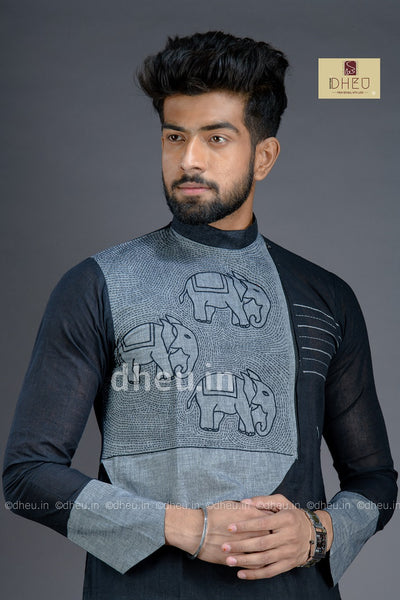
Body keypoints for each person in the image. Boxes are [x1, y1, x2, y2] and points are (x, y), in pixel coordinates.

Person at [3, 31, 397, 599]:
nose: (189, 159)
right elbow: (27, 477)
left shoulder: (325, 298)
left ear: (264, 156)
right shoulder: (96, 285)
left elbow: (376, 481)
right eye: (174, 137)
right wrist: (188, 527)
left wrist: (319, 532)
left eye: (216, 138)